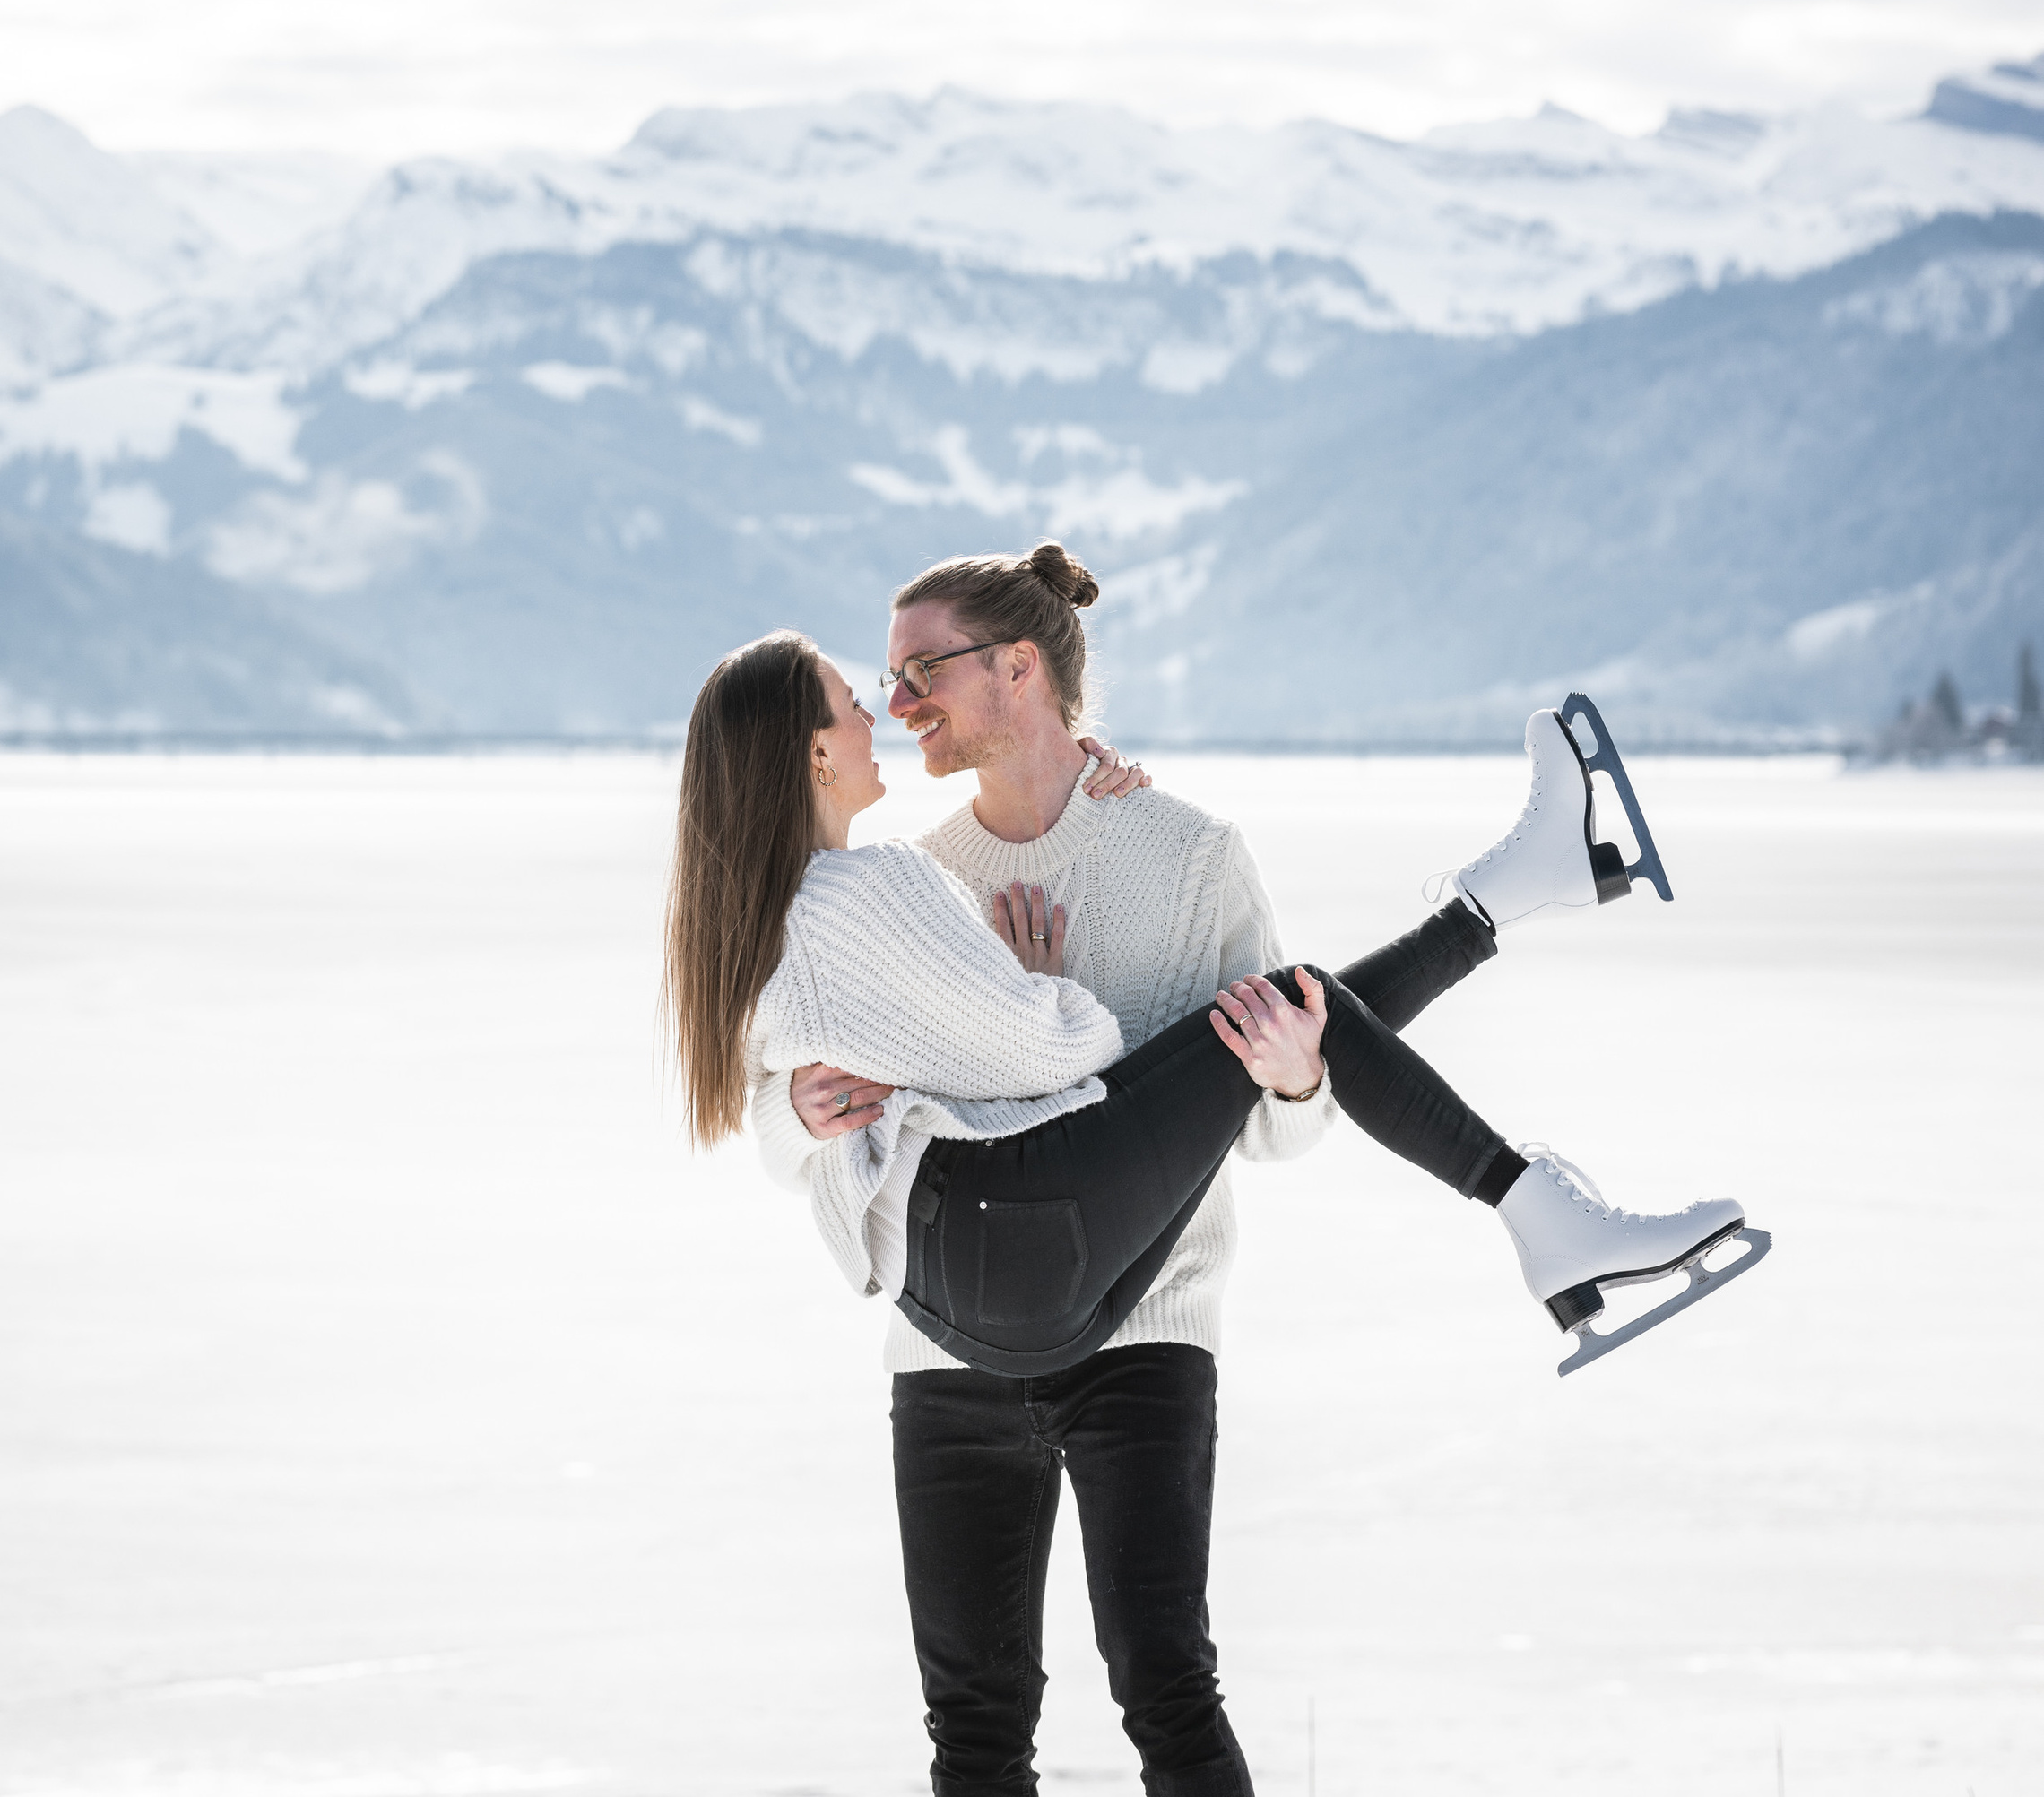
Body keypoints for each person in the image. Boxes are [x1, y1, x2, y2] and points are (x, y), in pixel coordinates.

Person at [664, 549, 1758, 1797]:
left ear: (1018, 666)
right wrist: (835, 1094)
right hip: (955, 1347)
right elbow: (815, 1090)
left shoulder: (1184, 855)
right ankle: (1520, 1023)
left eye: (919, 672)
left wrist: (1294, 1079)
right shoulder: (916, 873)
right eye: (878, 684)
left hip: (1143, 1323)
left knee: (1164, 1684)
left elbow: (1274, 1126)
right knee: (975, 1720)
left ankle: (1520, 946)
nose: (895, 701)